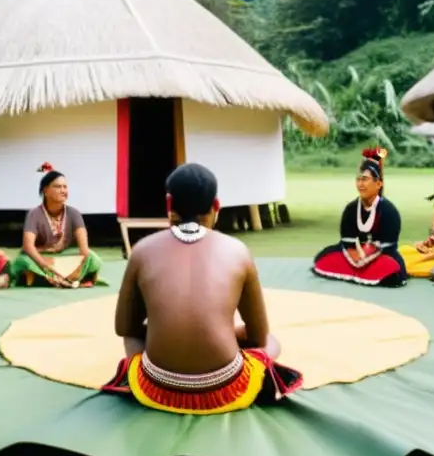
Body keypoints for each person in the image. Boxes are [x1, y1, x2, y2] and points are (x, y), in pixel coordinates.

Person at [103, 162, 303, 414]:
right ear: (216, 206)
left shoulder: (142, 250)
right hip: (226, 387)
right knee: (272, 342)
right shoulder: (238, 251)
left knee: (134, 336)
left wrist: (163, 328)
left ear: (168, 204)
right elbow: (259, 336)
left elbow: (124, 328)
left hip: (156, 386)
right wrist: (224, 331)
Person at [312, 148, 406, 287]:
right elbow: (347, 241)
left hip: (379, 255)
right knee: (323, 258)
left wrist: (366, 255)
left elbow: (387, 246)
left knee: (390, 267)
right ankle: (360, 272)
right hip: (353, 254)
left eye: (365, 179)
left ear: (378, 184)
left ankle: (362, 272)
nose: (360, 184)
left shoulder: (389, 211)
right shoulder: (351, 208)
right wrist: (355, 256)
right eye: (358, 180)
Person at [9, 163, 103, 287]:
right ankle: (65, 279)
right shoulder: (34, 214)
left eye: (65, 187)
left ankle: (63, 279)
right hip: (41, 258)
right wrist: (45, 265)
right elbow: (28, 247)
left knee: (94, 258)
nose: (63, 190)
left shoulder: (74, 213)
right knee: (23, 261)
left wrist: (78, 265)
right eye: (58, 187)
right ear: (46, 191)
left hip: (64, 257)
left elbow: (84, 249)